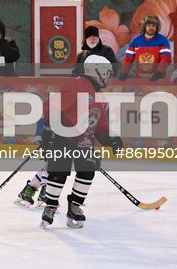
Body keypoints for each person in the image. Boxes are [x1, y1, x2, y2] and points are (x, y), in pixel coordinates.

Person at [39, 55, 120, 229]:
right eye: (105, 72)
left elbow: (100, 125)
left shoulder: (101, 97)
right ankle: (50, 206)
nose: (107, 77)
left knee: (88, 169)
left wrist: (111, 139)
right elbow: (50, 108)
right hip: (64, 138)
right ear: (94, 70)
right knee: (58, 171)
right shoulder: (76, 85)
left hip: (84, 143)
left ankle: (74, 206)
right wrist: (49, 130)